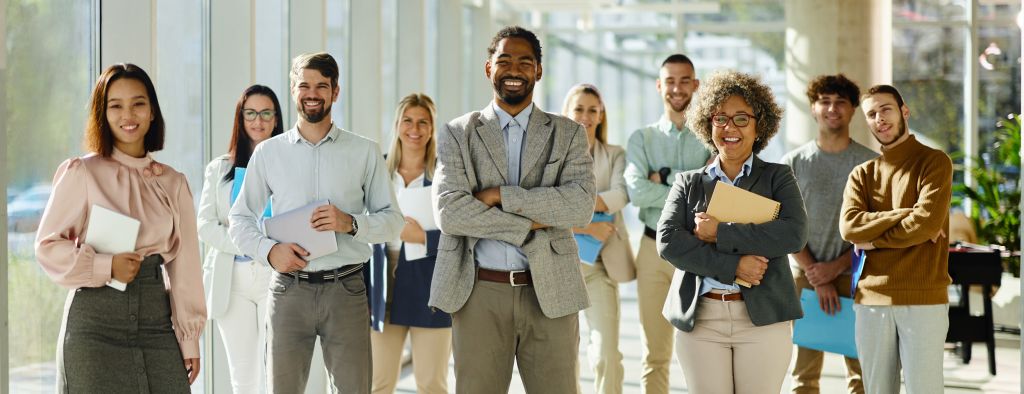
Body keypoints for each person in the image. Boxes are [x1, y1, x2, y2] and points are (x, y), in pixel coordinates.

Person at [429, 26, 596, 394]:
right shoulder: (458, 132)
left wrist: (502, 196)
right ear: (488, 69)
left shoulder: (568, 133)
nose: (514, 69)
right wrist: (527, 225)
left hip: (551, 291)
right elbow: (450, 212)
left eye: (525, 61)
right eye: (504, 60)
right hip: (478, 292)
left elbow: (580, 206)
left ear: (538, 70)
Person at [228, 52, 404, 394]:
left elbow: (394, 222)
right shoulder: (268, 153)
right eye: (304, 85)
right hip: (287, 291)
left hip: (347, 290)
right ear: (293, 90)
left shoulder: (365, 151)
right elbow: (240, 218)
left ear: (335, 92)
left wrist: (350, 223)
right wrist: (269, 251)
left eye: (322, 86)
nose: (312, 93)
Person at [35, 63, 206, 392]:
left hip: (158, 327)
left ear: (152, 111)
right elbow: (47, 247)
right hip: (93, 329)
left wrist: (189, 341)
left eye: (138, 103)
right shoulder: (81, 173)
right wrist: (105, 265)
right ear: (103, 113)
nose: (128, 114)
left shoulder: (173, 183)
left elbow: (185, 268)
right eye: (116, 106)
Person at [658, 70, 807, 394]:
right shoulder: (689, 182)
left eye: (741, 118)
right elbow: (669, 242)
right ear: (707, 124)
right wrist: (733, 266)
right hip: (702, 318)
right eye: (720, 118)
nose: (730, 128)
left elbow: (793, 234)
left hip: (763, 318)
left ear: (759, 125)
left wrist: (721, 234)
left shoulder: (778, 177)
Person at [839, 84, 952, 394]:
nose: (879, 119)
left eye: (885, 109)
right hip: (871, 300)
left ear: (904, 111)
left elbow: (926, 225)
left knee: (924, 389)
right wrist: (905, 213)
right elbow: (849, 228)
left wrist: (873, 241)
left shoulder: (935, 162)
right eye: (871, 114)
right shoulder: (862, 174)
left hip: (924, 298)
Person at [780, 74, 875, 394]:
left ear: (852, 110)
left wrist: (834, 268)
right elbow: (784, 225)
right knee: (804, 374)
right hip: (805, 276)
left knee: (862, 371)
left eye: (841, 102)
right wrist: (815, 273)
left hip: (858, 275)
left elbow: (876, 230)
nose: (832, 108)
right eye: (825, 101)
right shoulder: (792, 163)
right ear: (813, 109)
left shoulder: (871, 164)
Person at [623, 53, 710, 394]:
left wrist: (663, 179)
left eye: (684, 80)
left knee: (702, 349)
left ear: (696, 85)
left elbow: (712, 192)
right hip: (651, 250)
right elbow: (636, 192)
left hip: (698, 250)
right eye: (670, 81)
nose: (677, 88)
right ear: (659, 86)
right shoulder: (641, 139)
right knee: (655, 353)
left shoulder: (709, 136)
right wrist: (687, 185)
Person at [198, 84, 284, 393]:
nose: (258, 120)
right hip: (231, 279)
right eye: (250, 113)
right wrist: (250, 243)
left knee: (274, 371)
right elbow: (206, 225)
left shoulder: (289, 167)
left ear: (276, 119)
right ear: (240, 117)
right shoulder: (219, 168)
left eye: (265, 113)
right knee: (243, 376)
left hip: (277, 276)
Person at [370, 93, 452, 394]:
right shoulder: (377, 171)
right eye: (407, 120)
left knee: (431, 383)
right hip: (382, 283)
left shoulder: (446, 175)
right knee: (378, 383)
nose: (414, 128)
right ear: (397, 125)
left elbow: (466, 234)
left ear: (432, 128)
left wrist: (424, 238)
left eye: (423, 122)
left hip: (431, 283)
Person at [562, 83, 633, 394]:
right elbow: (542, 209)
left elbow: (620, 195)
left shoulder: (615, 154)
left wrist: (568, 205)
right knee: (562, 356)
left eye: (592, 110)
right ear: (567, 112)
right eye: (579, 109)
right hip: (560, 265)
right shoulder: (552, 157)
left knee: (606, 352)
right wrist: (587, 224)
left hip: (601, 266)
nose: (585, 116)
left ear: (601, 115)